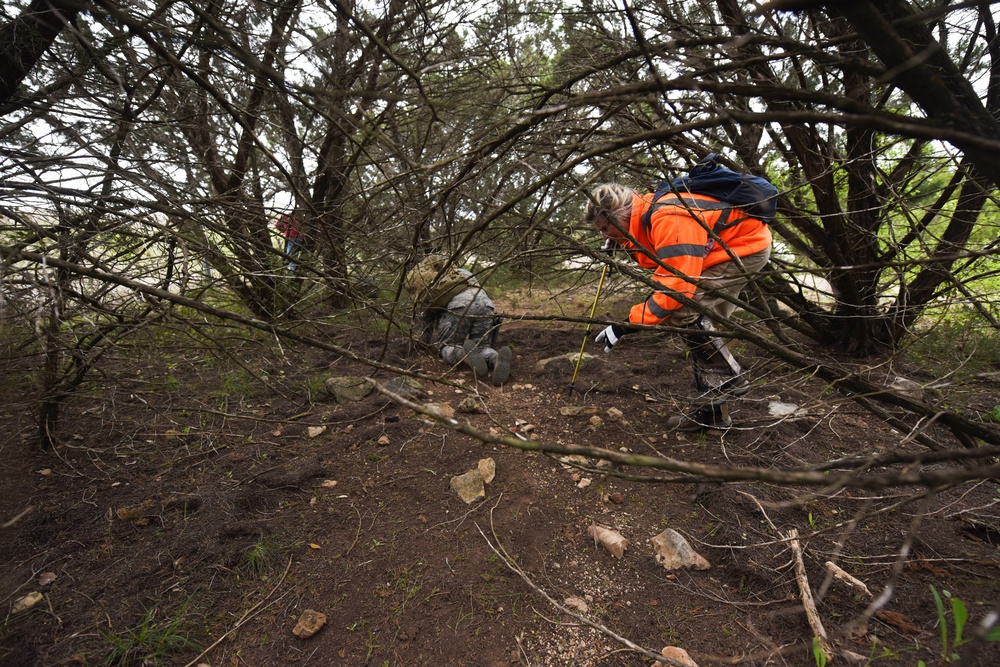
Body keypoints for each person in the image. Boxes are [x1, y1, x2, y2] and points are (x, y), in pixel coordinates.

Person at [583, 181, 772, 432]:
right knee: (704, 328)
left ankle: (729, 377)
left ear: (620, 216)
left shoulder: (668, 217)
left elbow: (676, 287)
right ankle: (713, 414)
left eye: (606, 229)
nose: (604, 236)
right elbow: (661, 257)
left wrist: (626, 326)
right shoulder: (642, 214)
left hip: (744, 246)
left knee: (685, 311)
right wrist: (624, 240)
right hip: (721, 249)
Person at [405, 256, 512, 386]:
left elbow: (425, 320)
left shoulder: (432, 286)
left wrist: (422, 344)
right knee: (482, 346)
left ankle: (463, 353)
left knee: (447, 346)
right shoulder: (461, 274)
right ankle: (495, 358)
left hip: (460, 305)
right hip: (486, 303)